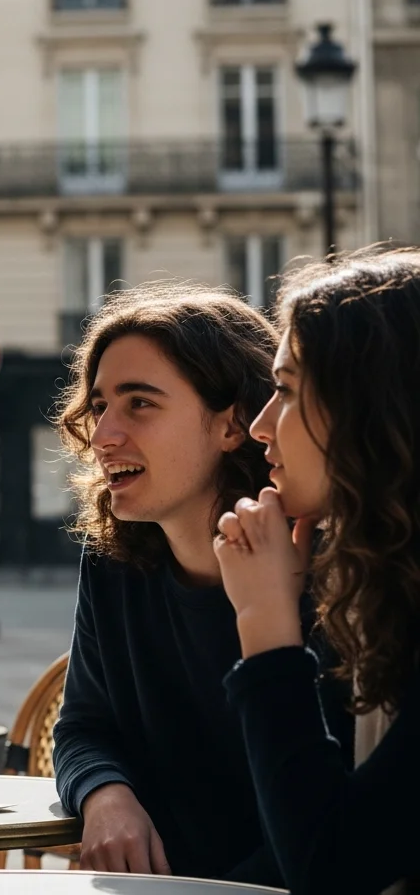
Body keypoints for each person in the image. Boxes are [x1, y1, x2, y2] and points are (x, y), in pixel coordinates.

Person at [51, 282, 352, 882]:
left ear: (233, 423)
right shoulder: (114, 561)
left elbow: (335, 811)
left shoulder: (327, 567)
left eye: (140, 403)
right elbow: (83, 725)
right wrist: (105, 794)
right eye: (100, 405)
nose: (105, 434)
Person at [214, 248, 420, 895]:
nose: (258, 426)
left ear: (375, 409)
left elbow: (332, 867)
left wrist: (266, 625)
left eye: (286, 391)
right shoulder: (380, 584)